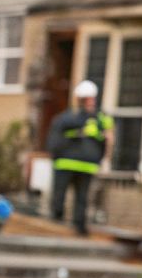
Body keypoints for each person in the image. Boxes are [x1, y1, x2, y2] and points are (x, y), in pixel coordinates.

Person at [47, 80, 110, 236]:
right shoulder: (97, 120)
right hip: (78, 163)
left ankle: (60, 222)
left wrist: (55, 156)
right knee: (78, 197)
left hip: (70, 163)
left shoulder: (66, 118)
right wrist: (100, 159)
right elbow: (105, 141)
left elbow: (54, 141)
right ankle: (75, 225)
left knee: (67, 195)